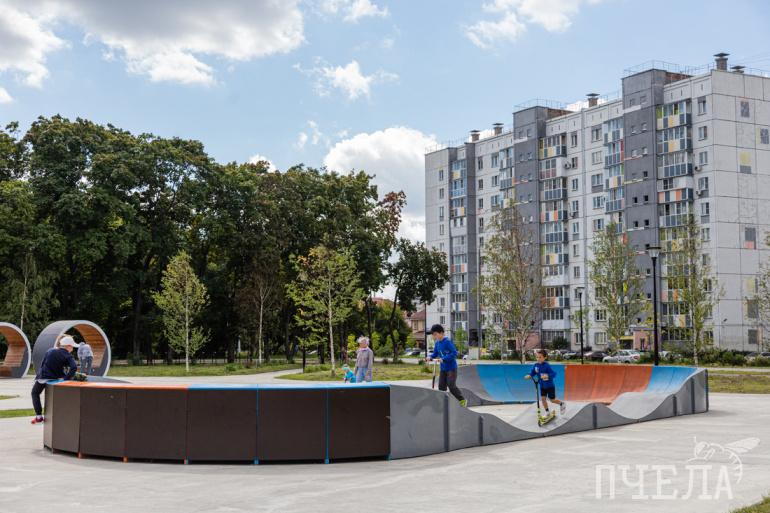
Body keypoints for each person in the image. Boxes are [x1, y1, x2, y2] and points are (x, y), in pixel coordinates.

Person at [30, 335, 79, 425]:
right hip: (56, 379)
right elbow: (74, 367)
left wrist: (39, 376)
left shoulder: (50, 350)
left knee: (35, 393)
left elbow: (43, 364)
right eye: (72, 346)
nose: (72, 349)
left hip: (43, 377)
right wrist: (66, 378)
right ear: (68, 346)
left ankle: (39, 417)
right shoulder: (67, 355)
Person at [425, 324, 467, 407]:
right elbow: (435, 354)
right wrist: (430, 357)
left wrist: (444, 359)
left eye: (435, 334)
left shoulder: (447, 342)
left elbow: (454, 353)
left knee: (451, 385)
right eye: (433, 335)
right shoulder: (437, 343)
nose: (434, 336)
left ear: (441, 333)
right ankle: (443, 403)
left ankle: (462, 400)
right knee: (441, 386)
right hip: (443, 369)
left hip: (451, 368)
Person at [525, 349, 566, 415]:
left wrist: (547, 375)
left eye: (540, 357)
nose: (538, 359)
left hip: (550, 386)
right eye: (537, 357)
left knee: (552, 400)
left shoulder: (546, 365)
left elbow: (554, 374)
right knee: (543, 399)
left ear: (544, 358)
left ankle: (561, 403)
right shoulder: (536, 365)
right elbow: (533, 372)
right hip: (542, 386)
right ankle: (547, 412)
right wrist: (529, 375)